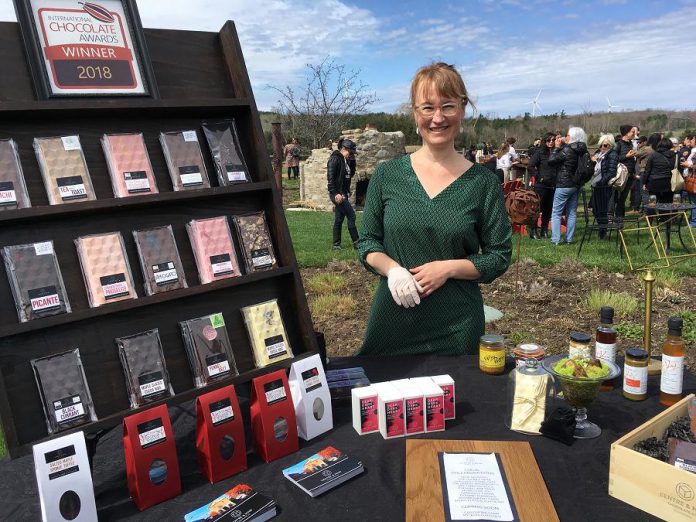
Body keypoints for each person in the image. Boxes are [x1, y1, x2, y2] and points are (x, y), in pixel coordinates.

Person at [357, 62, 511, 356]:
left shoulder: (483, 183)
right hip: (394, 316)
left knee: (458, 399)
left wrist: (448, 268)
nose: (437, 118)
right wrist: (393, 270)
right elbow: (367, 243)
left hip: (457, 323)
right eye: (427, 107)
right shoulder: (387, 175)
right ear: (415, 113)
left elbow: (498, 257)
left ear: (463, 110)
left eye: (448, 106)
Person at [548, 126, 588, 245]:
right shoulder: (583, 149)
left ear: (573, 137)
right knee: (571, 212)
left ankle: (555, 240)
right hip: (577, 184)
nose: (566, 137)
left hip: (564, 184)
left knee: (556, 213)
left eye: (568, 135)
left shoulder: (567, 150)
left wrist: (556, 148)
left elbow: (551, 161)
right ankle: (569, 239)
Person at [327, 138, 359, 249]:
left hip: (343, 193)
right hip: (337, 194)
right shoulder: (334, 159)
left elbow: (351, 174)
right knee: (351, 215)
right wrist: (336, 194)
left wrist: (353, 160)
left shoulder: (346, 160)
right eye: (350, 152)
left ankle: (336, 245)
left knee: (339, 219)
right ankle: (357, 243)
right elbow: (330, 180)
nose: (351, 155)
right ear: (344, 149)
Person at [527, 132, 557, 239]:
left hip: (553, 185)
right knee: (537, 208)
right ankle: (533, 230)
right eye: (549, 140)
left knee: (548, 209)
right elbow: (530, 166)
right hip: (541, 186)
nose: (551, 142)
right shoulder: (539, 153)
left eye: (553, 140)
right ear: (545, 141)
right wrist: (539, 177)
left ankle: (544, 229)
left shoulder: (556, 152)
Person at [591, 134, 619, 238]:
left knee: (601, 210)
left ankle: (602, 231)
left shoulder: (612, 155)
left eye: (605, 145)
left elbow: (611, 172)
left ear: (611, 145)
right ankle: (602, 229)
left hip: (604, 186)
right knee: (596, 209)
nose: (603, 147)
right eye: (601, 145)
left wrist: (601, 182)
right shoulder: (601, 155)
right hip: (598, 186)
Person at [641, 137, 676, 205]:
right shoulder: (674, 155)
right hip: (668, 182)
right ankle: (664, 215)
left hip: (654, 182)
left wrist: (644, 182)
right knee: (666, 204)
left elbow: (647, 171)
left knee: (652, 203)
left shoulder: (653, 155)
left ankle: (652, 215)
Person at [615, 125, 637, 217]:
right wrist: (626, 156)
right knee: (619, 197)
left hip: (630, 175)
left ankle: (620, 219)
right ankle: (616, 218)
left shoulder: (631, 144)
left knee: (623, 198)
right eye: (632, 131)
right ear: (626, 133)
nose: (634, 133)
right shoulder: (619, 144)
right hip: (621, 176)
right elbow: (614, 159)